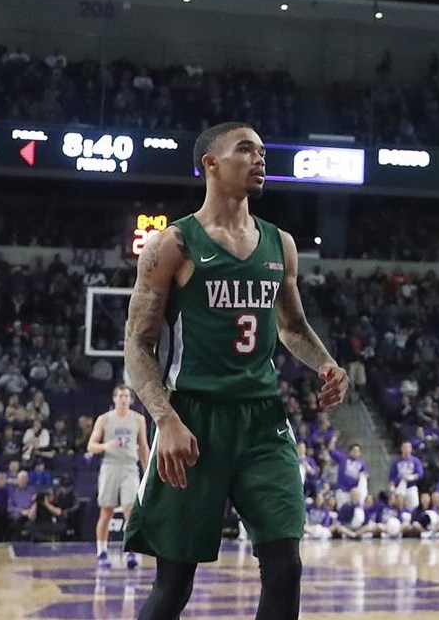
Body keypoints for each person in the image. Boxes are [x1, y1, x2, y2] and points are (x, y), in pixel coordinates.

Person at [122, 121, 349, 620]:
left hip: (264, 420)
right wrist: (165, 420)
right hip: (193, 420)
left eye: (263, 151)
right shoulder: (173, 244)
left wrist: (326, 363)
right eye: (246, 150)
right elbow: (139, 344)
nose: (260, 158)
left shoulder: (280, 243)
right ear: (210, 163)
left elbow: (292, 327)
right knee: (174, 583)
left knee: (285, 564)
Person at [86, 384, 148, 568]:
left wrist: (148, 471)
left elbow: (143, 447)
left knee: (131, 510)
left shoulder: (138, 419)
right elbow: (91, 446)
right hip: (110, 466)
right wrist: (106, 446)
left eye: (126, 396)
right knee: (107, 511)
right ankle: (102, 552)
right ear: (114, 399)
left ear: (131, 399)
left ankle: (131, 552)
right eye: (120, 396)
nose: (123, 399)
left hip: (130, 467)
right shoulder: (104, 419)